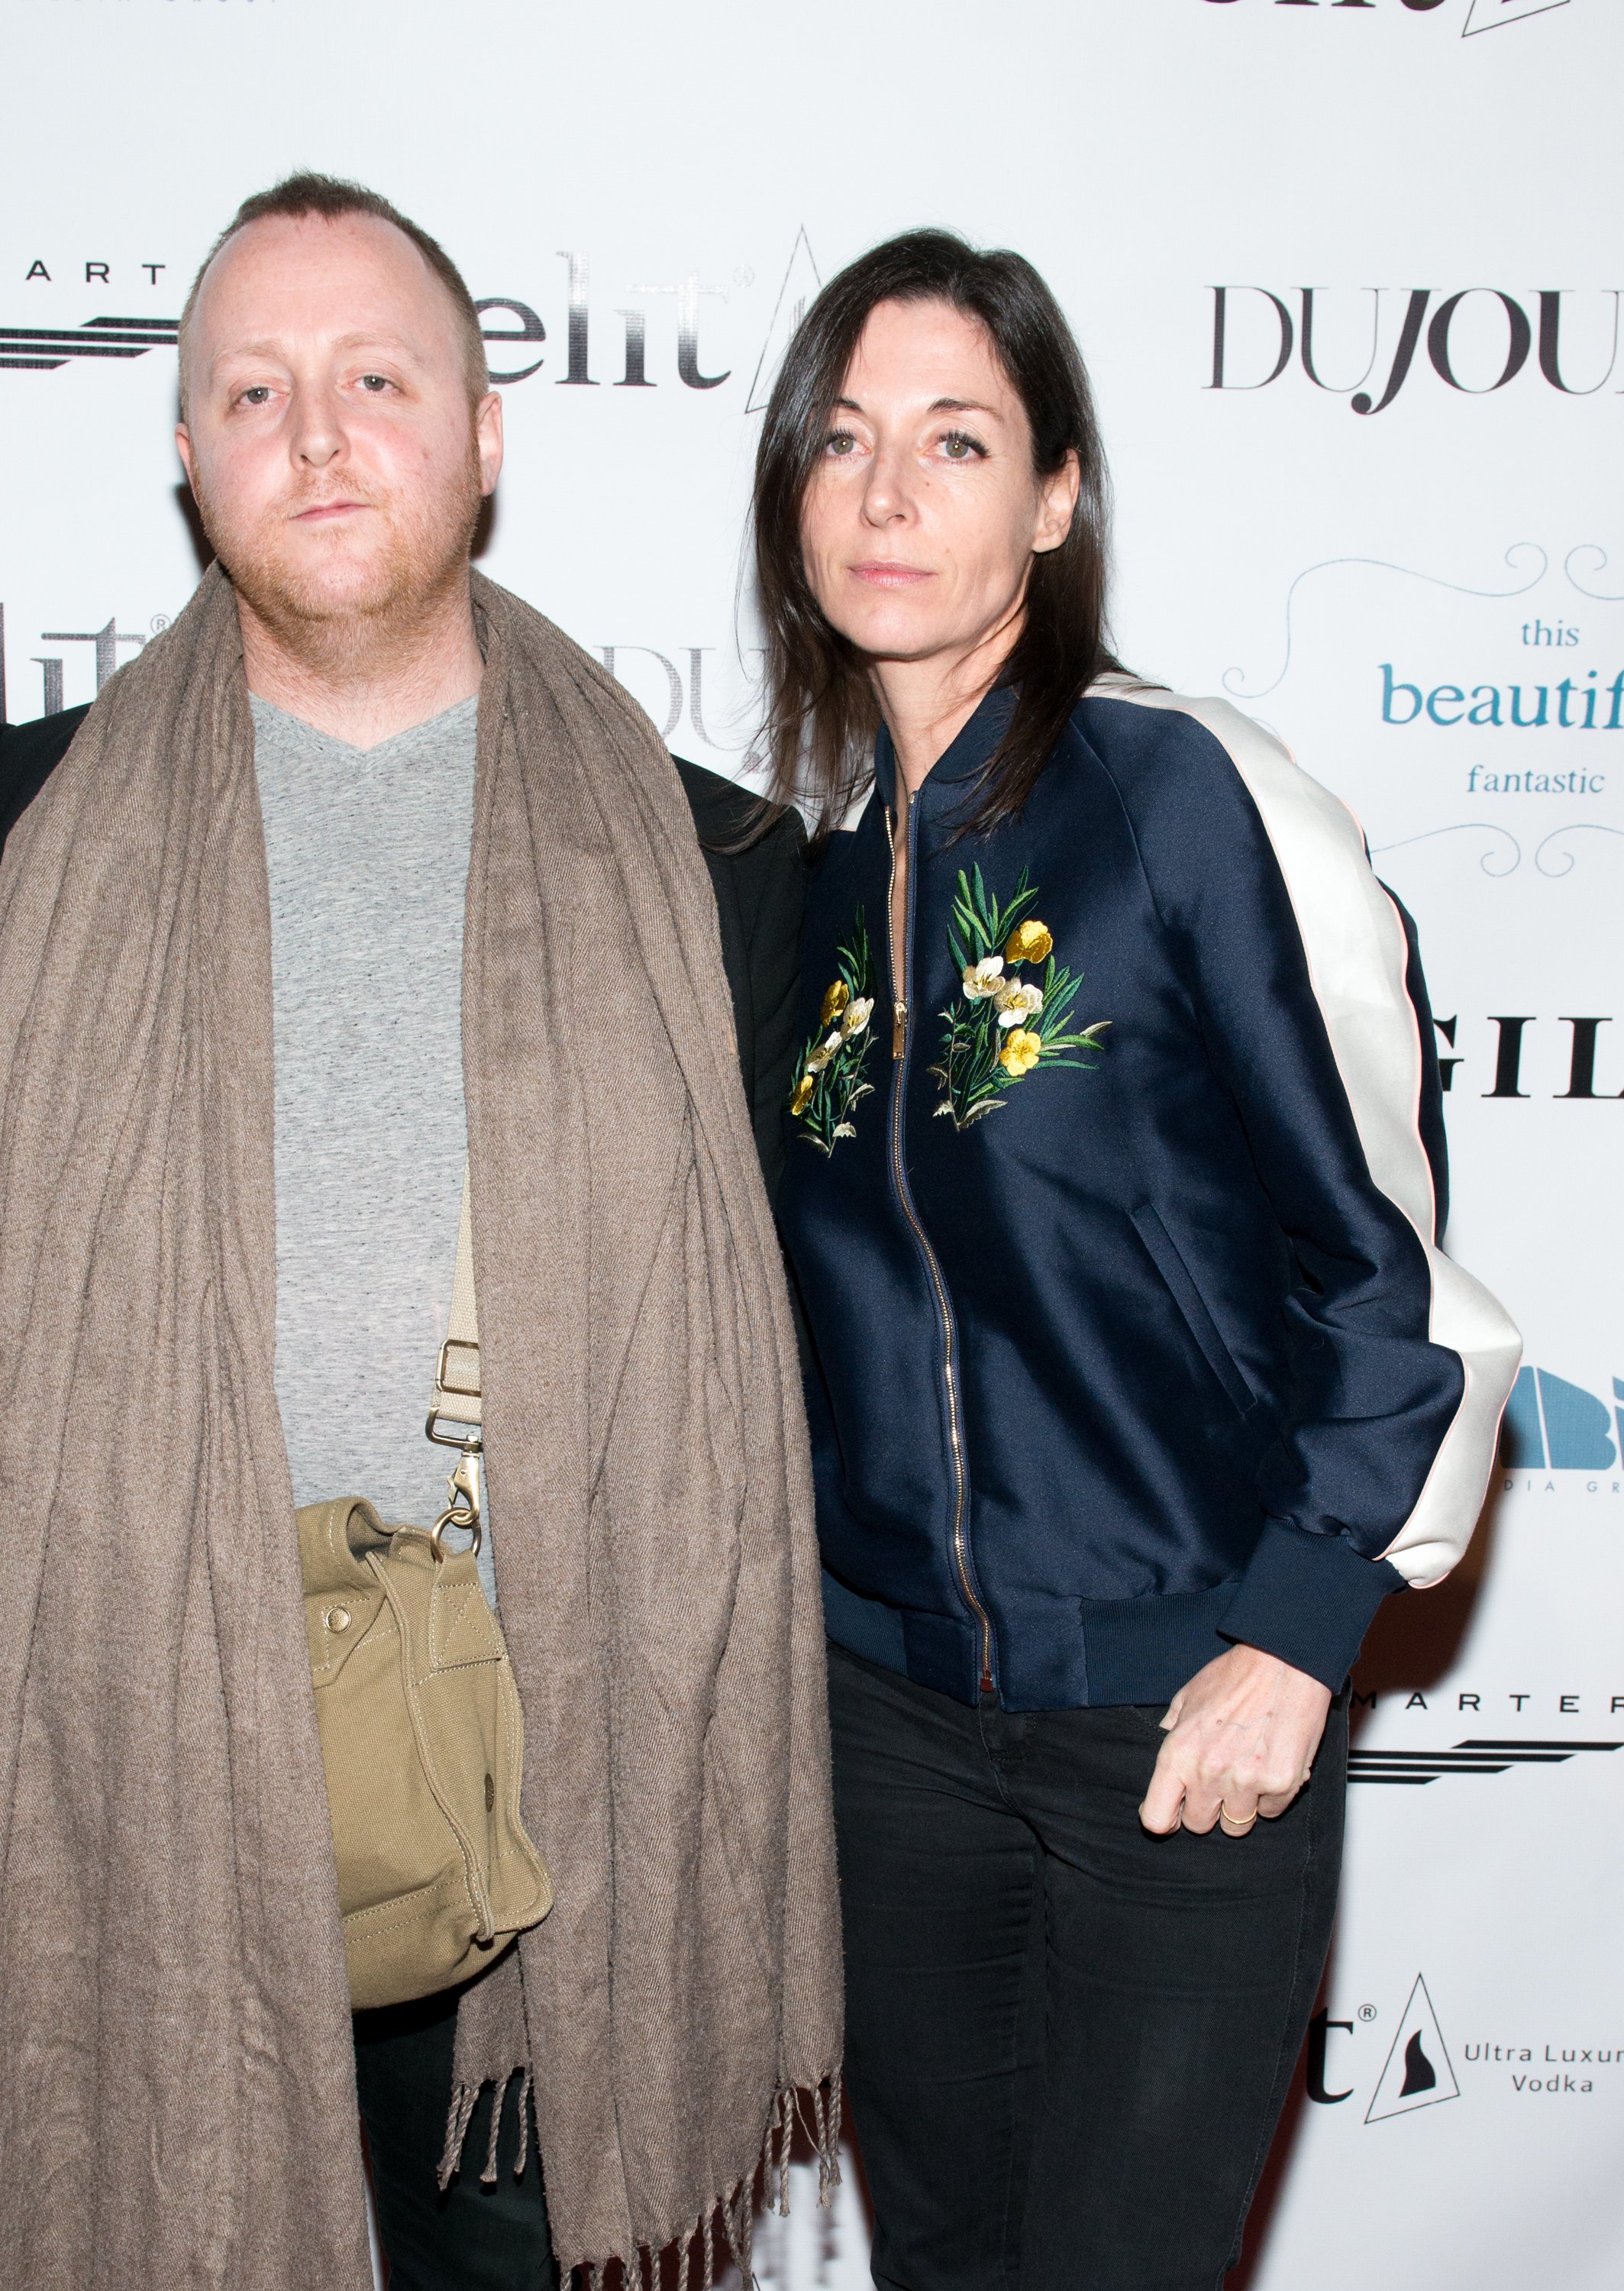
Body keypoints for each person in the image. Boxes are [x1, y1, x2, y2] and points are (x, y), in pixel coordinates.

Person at [0, 171, 841, 2291]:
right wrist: (65, 1608)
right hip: (142, 1785)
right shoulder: (28, 821)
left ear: (485, 435)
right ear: (187, 456)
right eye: (254, 389)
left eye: (377, 379)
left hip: (563, 1815)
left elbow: (795, 1342)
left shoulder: (713, 861)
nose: (316, 434)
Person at [753, 230, 1519, 2291]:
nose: (889, 494)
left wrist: (1297, 1626)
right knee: (942, 2264)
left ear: (1058, 496)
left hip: (1178, 1719)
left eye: (956, 439)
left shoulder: (1185, 797)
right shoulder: (817, 892)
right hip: (892, 1730)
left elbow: (1401, 1274)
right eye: (841, 441)